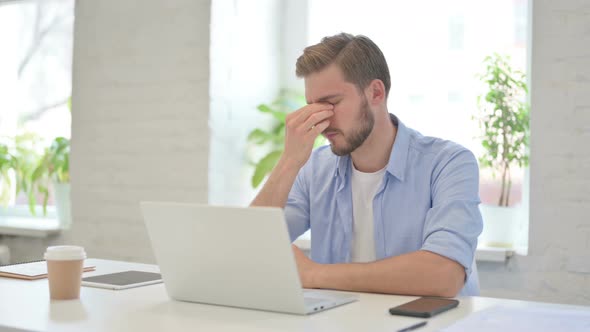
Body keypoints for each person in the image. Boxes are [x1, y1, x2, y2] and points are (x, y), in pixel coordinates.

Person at [251, 33, 483, 297]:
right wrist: (289, 161)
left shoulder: (449, 163)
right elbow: (248, 246)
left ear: (375, 92)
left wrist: (314, 274)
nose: (320, 119)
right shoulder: (314, 169)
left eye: (331, 103)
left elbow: (444, 275)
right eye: (312, 106)